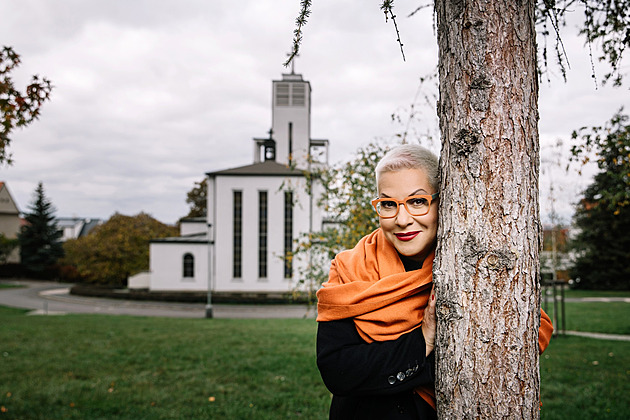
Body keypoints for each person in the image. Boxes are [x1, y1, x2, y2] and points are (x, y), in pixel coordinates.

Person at [315, 144, 553, 419]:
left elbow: (504, 351)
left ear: (443, 202)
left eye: (418, 201)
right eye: (388, 204)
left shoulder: (472, 269)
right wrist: (423, 342)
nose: (402, 220)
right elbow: (337, 371)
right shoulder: (350, 267)